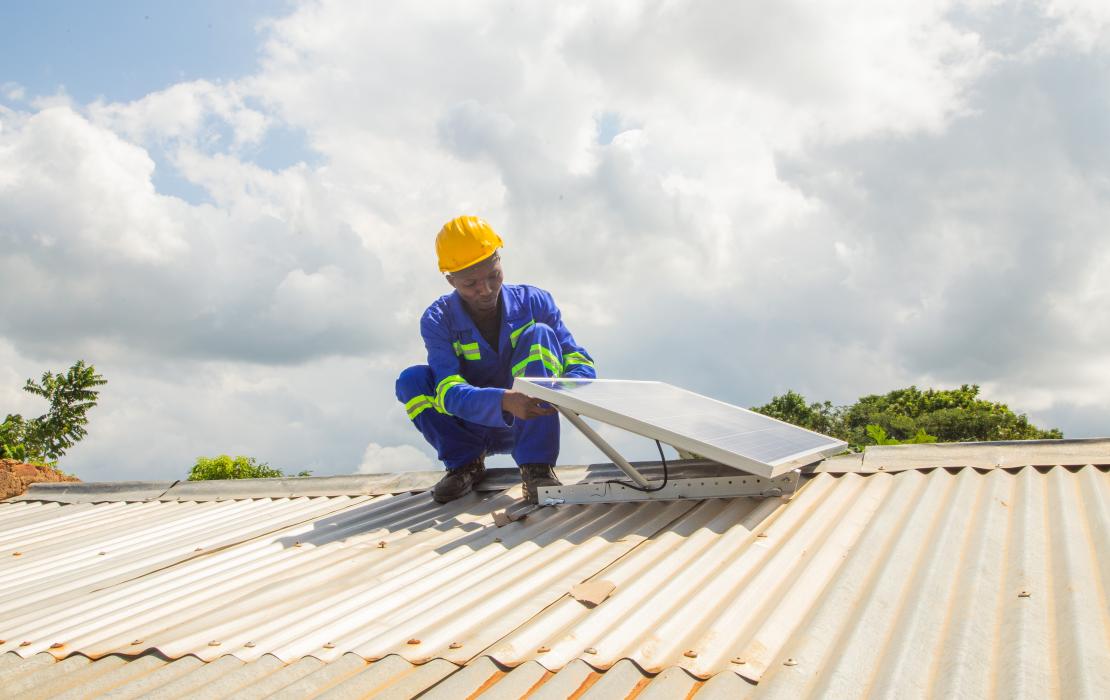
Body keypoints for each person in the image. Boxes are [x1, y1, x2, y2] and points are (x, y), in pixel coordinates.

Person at [395, 216, 597, 504]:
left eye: (493, 275)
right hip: (473, 422)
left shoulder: (534, 302)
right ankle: (465, 464)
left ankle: (536, 467)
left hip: (531, 419)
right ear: (451, 280)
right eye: (471, 284)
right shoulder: (438, 320)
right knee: (411, 381)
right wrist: (503, 400)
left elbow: (579, 360)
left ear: (499, 260)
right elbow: (448, 391)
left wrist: (567, 390)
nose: (486, 289)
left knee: (540, 334)